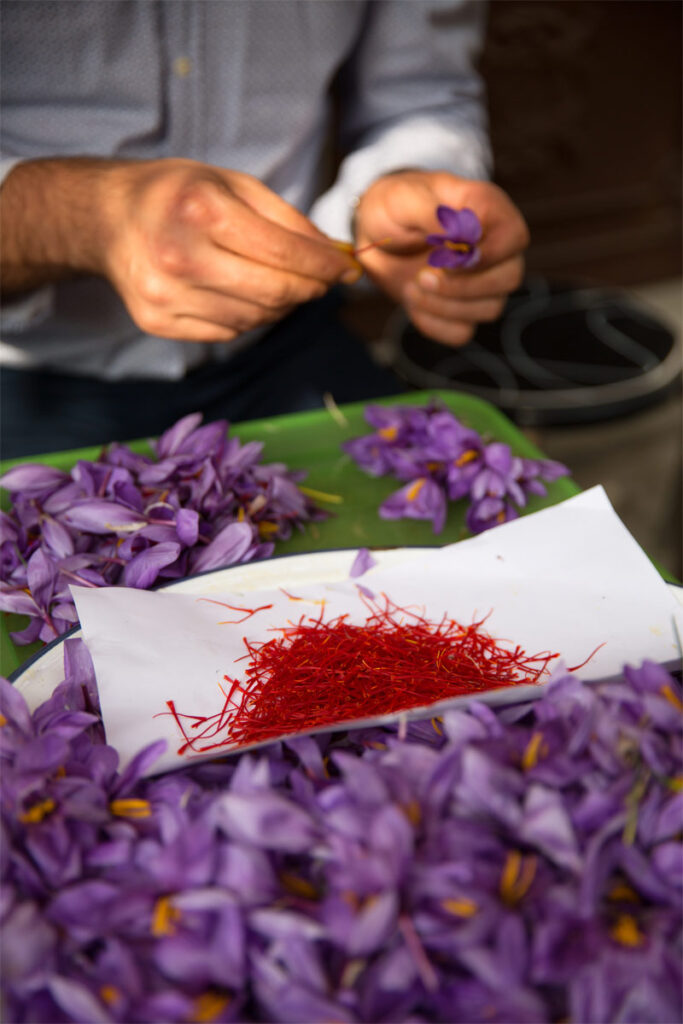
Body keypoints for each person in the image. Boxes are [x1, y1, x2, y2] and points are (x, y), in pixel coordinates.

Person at [0, 0, 528, 458]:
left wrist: (402, 181)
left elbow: (422, 97)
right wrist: (72, 218)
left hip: (287, 344)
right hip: (25, 374)